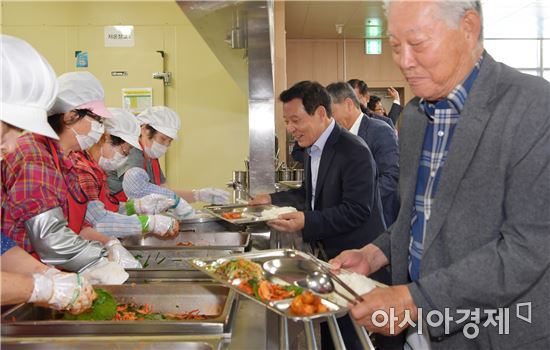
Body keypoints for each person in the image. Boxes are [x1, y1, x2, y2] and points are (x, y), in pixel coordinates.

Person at [331, 1, 550, 349]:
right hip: (420, 333)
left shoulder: (535, 107)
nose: (403, 61)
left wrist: (414, 300)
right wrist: (374, 254)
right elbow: (418, 215)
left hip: (498, 333)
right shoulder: (416, 115)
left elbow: (528, 249)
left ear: (468, 27)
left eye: (417, 44)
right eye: (395, 46)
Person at [250, 81, 388, 350]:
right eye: (287, 121)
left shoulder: (353, 150)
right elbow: (308, 195)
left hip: (357, 260)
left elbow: (358, 210)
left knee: (351, 338)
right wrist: (271, 199)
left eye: (296, 120)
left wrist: (307, 221)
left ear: (322, 113)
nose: (291, 128)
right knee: (331, 335)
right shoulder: (313, 149)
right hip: (331, 258)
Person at [0, 34, 98, 313]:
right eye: (7, 127)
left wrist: (46, 275)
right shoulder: (32, 156)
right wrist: (40, 288)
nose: (9, 146)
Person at [1, 67, 130, 278]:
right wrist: (98, 259)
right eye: (97, 119)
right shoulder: (34, 157)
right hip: (24, 276)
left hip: (45, 272)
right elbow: (49, 238)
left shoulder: (64, 159)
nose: (100, 128)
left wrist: (108, 246)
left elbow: (74, 221)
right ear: (71, 116)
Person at [69, 107, 179, 239]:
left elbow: (109, 208)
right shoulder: (82, 170)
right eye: (124, 152)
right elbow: (100, 221)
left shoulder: (97, 172)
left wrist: (137, 206)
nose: (124, 160)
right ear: (106, 138)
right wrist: (149, 223)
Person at [106, 106, 230, 216]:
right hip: (116, 216)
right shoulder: (132, 151)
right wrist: (176, 201)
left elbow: (164, 191)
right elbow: (137, 187)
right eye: (162, 139)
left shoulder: (150, 157)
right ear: (145, 130)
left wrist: (198, 195)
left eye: (169, 141)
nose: (165, 145)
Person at [326, 82, 400, 227]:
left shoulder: (380, 131)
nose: (330, 120)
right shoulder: (337, 137)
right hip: (347, 220)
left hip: (377, 222)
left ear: (348, 104)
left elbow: (391, 178)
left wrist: (356, 199)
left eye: (331, 112)